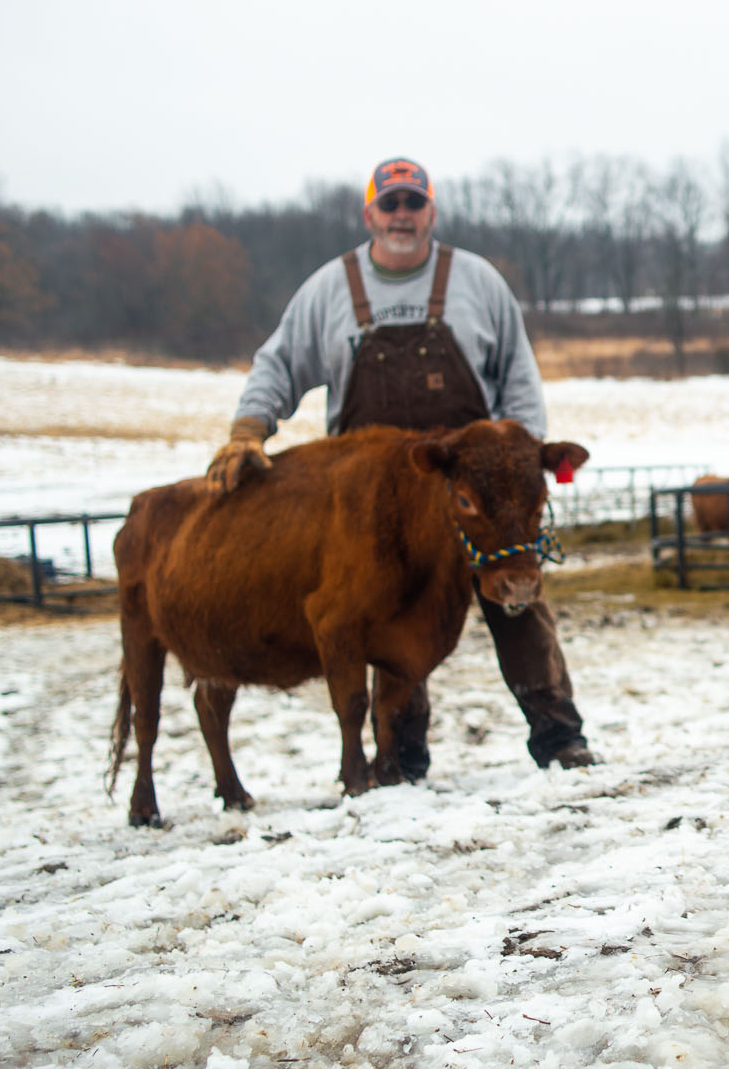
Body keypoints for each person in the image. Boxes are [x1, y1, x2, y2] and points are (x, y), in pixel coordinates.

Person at [204, 157, 597, 773]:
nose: (402, 215)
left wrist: (520, 463)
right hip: (375, 504)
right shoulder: (330, 289)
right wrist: (248, 430)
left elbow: (519, 377)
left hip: (475, 487)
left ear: (432, 211)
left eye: (414, 203)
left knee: (518, 598)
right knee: (388, 619)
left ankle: (558, 735)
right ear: (370, 215)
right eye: (390, 204)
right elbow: (278, 364)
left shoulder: (477, 281)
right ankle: (401, 749)